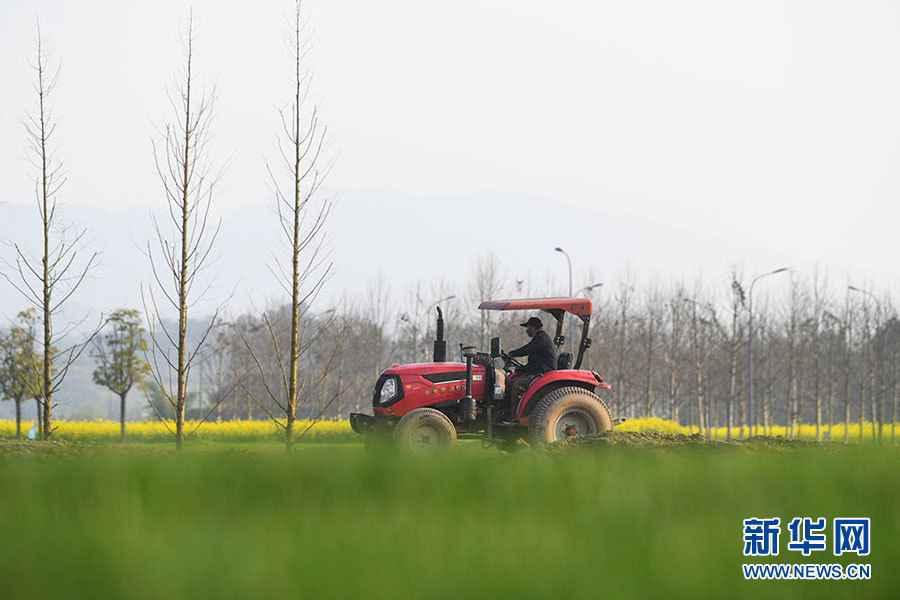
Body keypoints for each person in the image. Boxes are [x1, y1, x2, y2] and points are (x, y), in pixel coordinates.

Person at [506, 316, 557, 406]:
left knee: (517, 384)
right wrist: (522, 368)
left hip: (543, 373)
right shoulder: (539, 338)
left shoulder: (541, 338)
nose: (527, 330)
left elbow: (527, 349)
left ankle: (514, 414)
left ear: (533, 327)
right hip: (538, 370)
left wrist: (512, 353)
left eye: (528, 328)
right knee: (512, 379)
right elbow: (534, 361)